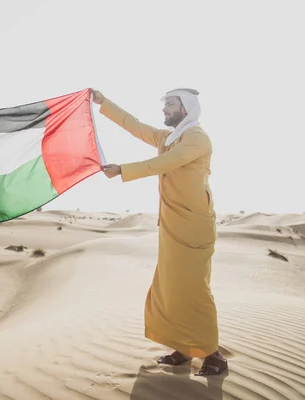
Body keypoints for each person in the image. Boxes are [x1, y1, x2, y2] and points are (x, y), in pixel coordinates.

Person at [91, 88, 227, 376]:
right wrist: (105, 104)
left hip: (194, 226)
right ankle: (184, 347)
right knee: (171, 287)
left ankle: (214, 355)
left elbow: (166, 163)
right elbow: (136, 126)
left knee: (194, 289)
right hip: (171, 224)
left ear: (186, 109)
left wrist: (123, 170)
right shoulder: (168, 137)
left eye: (170, 104)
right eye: (165, 104)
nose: (165, 109)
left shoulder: (197, 139)